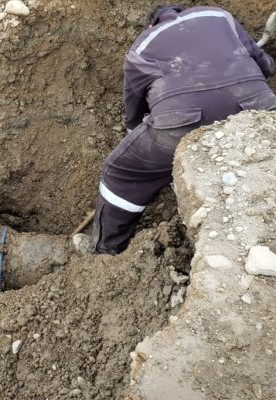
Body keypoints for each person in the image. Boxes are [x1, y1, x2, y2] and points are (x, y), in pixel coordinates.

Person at [74, 5, 276, 255]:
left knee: (120, 173)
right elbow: (265, 66)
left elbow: (134, 110)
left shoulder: (142, 45)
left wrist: (142, 144)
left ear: (152, 25)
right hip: (258, 107)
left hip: (182, 119)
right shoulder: (218, 16)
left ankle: (105, 250)